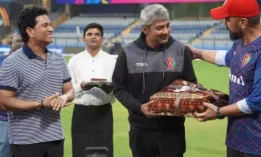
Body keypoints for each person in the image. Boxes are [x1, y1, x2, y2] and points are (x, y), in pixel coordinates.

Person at [187, 0, 261, 156]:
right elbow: (225, 58)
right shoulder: (241, 44)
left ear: (242, 22)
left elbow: (256, 102)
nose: (225, 23)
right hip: (236, 140)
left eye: (227, 19)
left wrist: (219, 112)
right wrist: (197, 53)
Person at [112, 4, 197, 157]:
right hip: (141, 130)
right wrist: (139, 107)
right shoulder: (127, 53)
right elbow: (119, 88)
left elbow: (191, 85)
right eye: (159, 28)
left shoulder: (180, 50)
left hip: (173, 131)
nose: (166, 31)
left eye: (167, 26)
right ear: (145, 29)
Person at [0, 6, 74, 157]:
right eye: (45, 25)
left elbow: (69, 90)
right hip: (25, 141)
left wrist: (64, 97)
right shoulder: (12, 62)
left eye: (50, 25)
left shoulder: (59, 59)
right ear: (30, 31)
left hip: (56, 138)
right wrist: (40, 104)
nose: (51, 29)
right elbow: (3, 102)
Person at [68, 22, 116, 157]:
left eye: (97, 34)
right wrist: (81, 87)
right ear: (83, 39)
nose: (93, 37)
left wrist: (109, 89)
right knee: (80, 150)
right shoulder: (74, 61)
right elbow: (69, 89)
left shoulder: (111, 61)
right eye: (89, 34)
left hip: (104, 112)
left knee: (105, 150)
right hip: (81, 113)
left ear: (102, 39)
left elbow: (118, 87)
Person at [0, 31, 24, 157]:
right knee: (4, 151)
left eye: (25, 41)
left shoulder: (33, 64)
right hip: (5, 118)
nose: (22, 44)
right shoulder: (2, 64)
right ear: (10, 43)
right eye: (19, 41)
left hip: (28, 119)